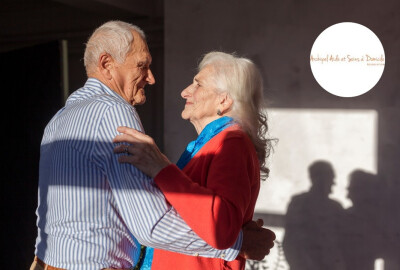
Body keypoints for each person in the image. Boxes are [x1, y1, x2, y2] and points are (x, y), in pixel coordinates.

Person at [30, 21, 275, 270]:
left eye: (198, 84)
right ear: (106, 64)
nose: (152, 78)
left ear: (224, 99)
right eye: (142, 66)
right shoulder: (114, 111)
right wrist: (239, 243)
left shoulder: (60, 118)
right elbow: (152, 225)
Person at [113, 51, 276, 270]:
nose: (185, 92)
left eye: (198, 85)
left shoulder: (232, 142)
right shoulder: (212, 142)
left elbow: (220, 226)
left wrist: (161, 169)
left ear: (224, 99)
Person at [282, 160, 345, 270]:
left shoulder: (336, 208)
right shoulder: (299, 203)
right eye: (329, 178)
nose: (332, 183)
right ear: (316, 178)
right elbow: (291, 241)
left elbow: (342, 244)